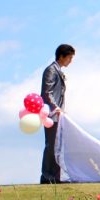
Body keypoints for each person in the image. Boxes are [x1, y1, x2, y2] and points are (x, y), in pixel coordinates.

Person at [40, 44, 74, 184]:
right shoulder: (51, 70)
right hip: (51, 115)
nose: (70, 61)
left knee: (57, 146)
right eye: (69, 57)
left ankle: (55, 177)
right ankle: (47, 176)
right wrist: (56, 108)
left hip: (58, 116)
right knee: (51, 146)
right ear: (61, 56)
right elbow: (46, 93)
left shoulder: (58, 70)